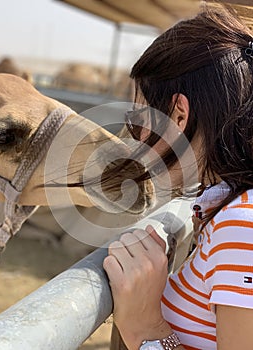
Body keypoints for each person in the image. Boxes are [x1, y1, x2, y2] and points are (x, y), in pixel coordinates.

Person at [103, 6, 253, 350]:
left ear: (178, 114)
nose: (136, 143)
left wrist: (146, 325)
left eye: (138, 124)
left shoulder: (242, 226)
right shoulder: (229, 212)